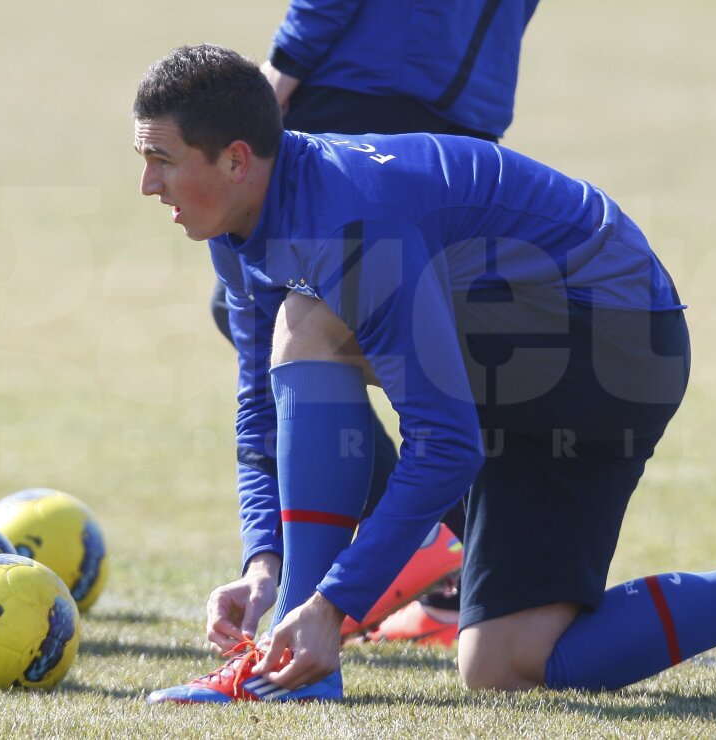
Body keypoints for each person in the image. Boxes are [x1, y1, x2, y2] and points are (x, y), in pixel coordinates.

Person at [134, 45, 716, 704]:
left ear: (237, 160)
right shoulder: (240, 227)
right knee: (503, 663)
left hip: (616, 340)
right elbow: (257, 409)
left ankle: (297, 665)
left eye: (161, 161)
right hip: (548, 360)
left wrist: (330, 607)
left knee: (308, 323)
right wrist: (261, 563)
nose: (148, 187)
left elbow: (446, 443)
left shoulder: (348, 220)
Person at [207, 0, 542, 645]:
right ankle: (467, 559)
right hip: (469, 90)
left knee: (285, 315)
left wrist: (281, 72)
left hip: (368, 76)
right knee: (399, 331)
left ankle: (427, 545)